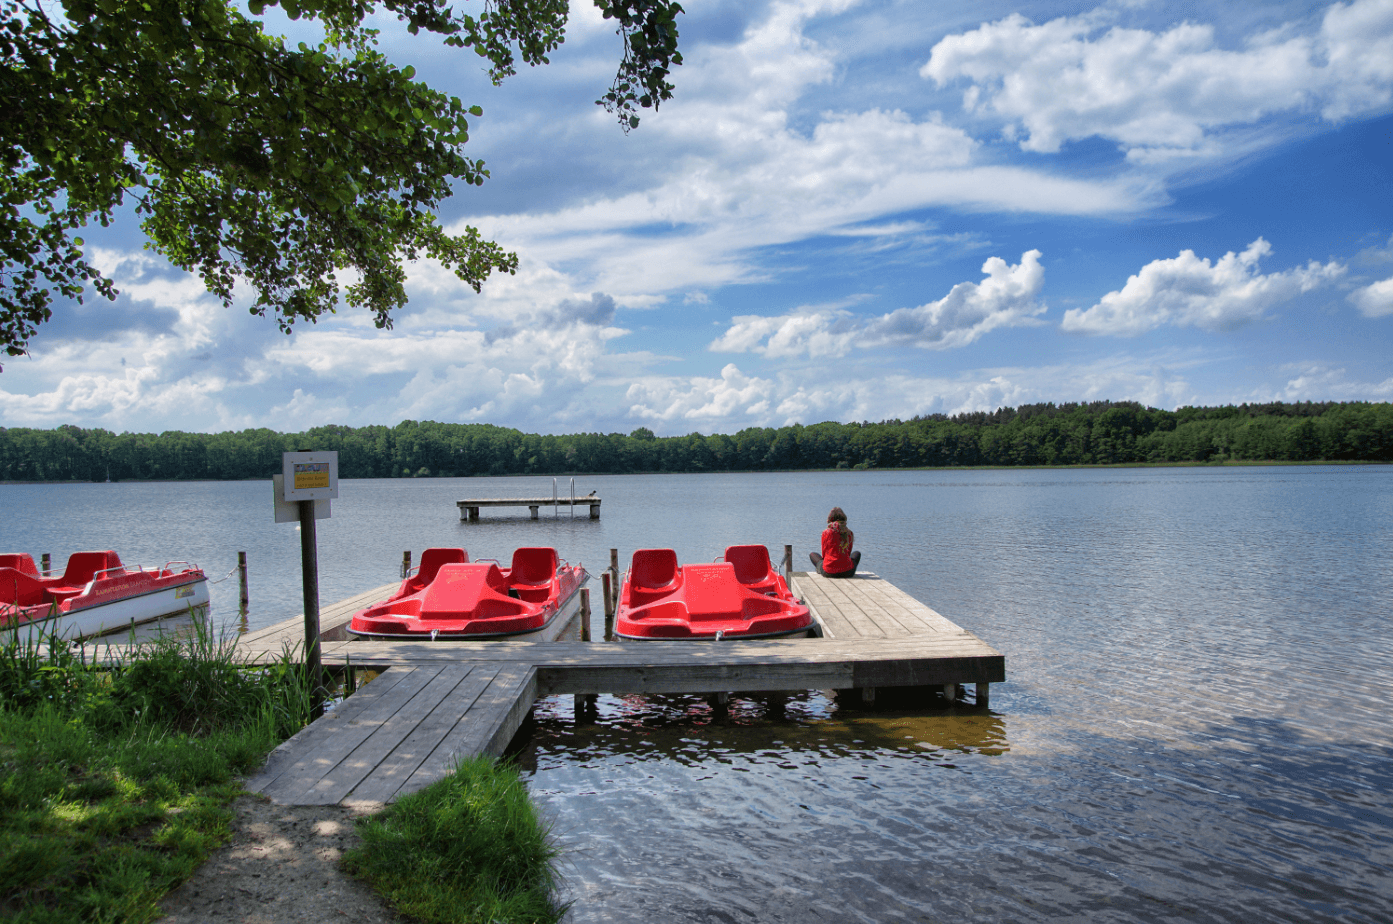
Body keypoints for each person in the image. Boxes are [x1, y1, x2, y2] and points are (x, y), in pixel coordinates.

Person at [809, 506, 861, 577]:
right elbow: (848, 553)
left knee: (812, 554)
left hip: (828, 572)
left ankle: (820, 569)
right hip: (847, 572)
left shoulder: (826, 533)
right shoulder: (849, 533)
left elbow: (824, 553)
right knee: (857, 553)